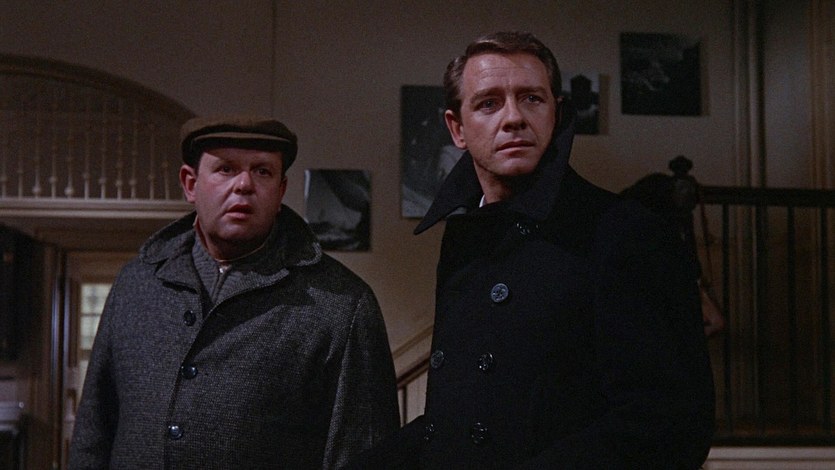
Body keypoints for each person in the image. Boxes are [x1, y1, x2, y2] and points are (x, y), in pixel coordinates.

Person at [354, 31, 715, 469]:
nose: (514, 118)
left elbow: (669, 422)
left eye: (531, 99)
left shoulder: (625, 231)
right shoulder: (465, 239)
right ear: (457, 129)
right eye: (489, 103)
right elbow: (464, 418)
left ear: (556, 114)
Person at [68, 115, 400, 469]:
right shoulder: (136, 283)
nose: (244, 184)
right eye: (226, 169)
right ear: (190, 184)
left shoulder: (340, 304)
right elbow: (93, 432)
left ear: (281, 191)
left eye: (262, 171)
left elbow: (364, 453)